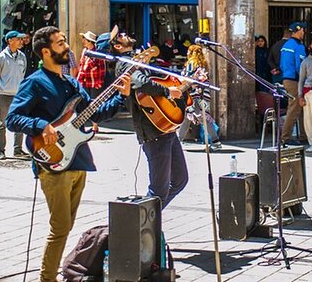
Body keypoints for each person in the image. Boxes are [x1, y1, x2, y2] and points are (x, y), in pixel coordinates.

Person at [5, 26, 130, 282]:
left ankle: (59, 272)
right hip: (52, 163)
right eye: (61, 43)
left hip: (77, 160)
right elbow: (12, 118)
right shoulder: (35, 82)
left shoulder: (71, 83)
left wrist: (121, 96)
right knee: (60, 227)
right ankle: (47, 278)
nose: (67, 46)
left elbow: (95, 112)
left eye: (65, 41)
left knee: (66, 226)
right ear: (46, 51)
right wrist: (42, 126)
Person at [110, 28, 189, 209]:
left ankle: (149, 220)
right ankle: (142, 225)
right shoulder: (124, 65)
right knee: (158, 190)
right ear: (117, 46)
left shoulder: (134, 62)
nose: (125, 33)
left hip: (166, 128)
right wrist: (168, 91)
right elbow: (141, 83)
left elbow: (154, 82)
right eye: (121, 35)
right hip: (153, 131)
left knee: (180, 179)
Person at [0, 31, 28, 160]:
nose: (21, 42)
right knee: (3, 123)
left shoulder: (22, 56)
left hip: (19, 95)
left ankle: (18, 149)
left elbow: (23, 74)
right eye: (18, 39)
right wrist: (0, 89)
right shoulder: (1, 58)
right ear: (10, 40)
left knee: (20, 122)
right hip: (5, 95)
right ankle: (0, 150)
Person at [177, 44, 222, 151]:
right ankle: (178, 140)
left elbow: (187, 78)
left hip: (194, 96)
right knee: (192, 117)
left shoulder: (191, 64)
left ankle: (216, 142)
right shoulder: (203, 64)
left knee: (200, 117)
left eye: (188, 51)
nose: (187, 53)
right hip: (203, 95)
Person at [280, 22, 308, 145]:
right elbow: (300, 67)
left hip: (286, 78)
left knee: (300, 108)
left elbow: (281, 64)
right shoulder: (299, 46)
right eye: (303, 30)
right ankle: (285, 137)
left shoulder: (286, 45)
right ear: (298, 30)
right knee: (294, 108)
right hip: (295, 80)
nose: (304, 32)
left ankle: (304, 135)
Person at [77, 31, 106, 99]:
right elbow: (82, 67)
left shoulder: (98, 53)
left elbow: (102, 69)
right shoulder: (84, 51)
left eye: (85, 39)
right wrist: (79, 81)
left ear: (90, 41)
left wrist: (99, 83)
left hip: (95, 84)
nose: (83, 41)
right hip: (85, 83)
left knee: (94, 104)